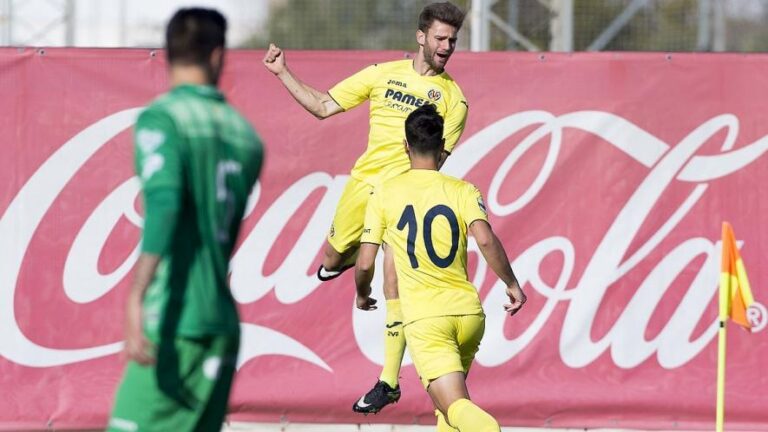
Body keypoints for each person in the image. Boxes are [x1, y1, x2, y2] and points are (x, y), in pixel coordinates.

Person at [263, 1, 468, 414]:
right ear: (421, 37)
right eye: (440, 38)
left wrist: (406, 200)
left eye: (453, 40)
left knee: (394, 280)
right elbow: (324, 106)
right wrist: (283, 71)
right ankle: (349, 256)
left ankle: (388, 381)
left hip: (401, 198)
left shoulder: (454, 100)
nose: (447, 47)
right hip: (362, 188)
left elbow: (434, 163)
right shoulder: (381, 74)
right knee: (331, 259)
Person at [107, 8, 264, 432]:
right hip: (221, 325)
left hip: (174, 321)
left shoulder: (163, 118)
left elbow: (165, 204)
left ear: (168, 52)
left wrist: (136, 295)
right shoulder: (246, 135)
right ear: (217, 55)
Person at [354, 104, 526, 431]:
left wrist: (362, 294)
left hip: (427, 321)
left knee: (457, 408)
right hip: (469, 316)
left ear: (405, 145)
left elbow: (364, 263)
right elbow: (485, 239)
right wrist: (512, 283)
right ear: (442, 144)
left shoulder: (385, 193)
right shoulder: (463, 190)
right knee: (446, 412)